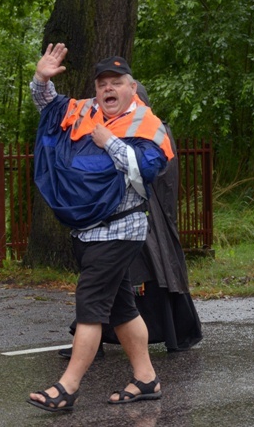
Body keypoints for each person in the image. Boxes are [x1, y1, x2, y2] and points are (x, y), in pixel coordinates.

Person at [27, 44, 172, 412]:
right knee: (122, 308)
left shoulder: (148, 126)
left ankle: (67, 388)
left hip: (120, 231)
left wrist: (110, 144)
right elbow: (50, 106)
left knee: (89, 307)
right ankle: (145, 378)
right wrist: (41, 79)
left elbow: (146, 172)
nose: (109, 89)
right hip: (88, 231)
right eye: (103, 83)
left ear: (132, 87)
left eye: (117, 82)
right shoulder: (85, 111)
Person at [58, 81, 203, 359]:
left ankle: (169, 339)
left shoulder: (153, 131)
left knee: (146, 277)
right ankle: (102, 348)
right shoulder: (111, 127)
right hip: (116, 215)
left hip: (146, 214)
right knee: (115, 285)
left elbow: (162, 176)